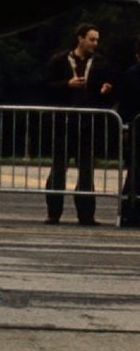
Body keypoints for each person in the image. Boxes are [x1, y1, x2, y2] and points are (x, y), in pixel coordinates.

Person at [45, 24, 115, 225]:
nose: (95, 43)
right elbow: (45, 86)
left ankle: (86, 215)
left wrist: (106, 89)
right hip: (64, 123)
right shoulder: (59, 60)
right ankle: (53, 213)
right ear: (80, 38)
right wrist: (66, 85)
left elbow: (110, 85)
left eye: (97, 40)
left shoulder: (100, 63)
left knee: (86, 171)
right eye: (92, 39)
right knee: (59, 168)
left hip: (88, 124)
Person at [115, 36, 140, 228]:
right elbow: (125, 102)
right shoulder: (133, 74)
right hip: (135, 128)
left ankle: (130, 212)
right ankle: (129, 212)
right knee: (134, 172)